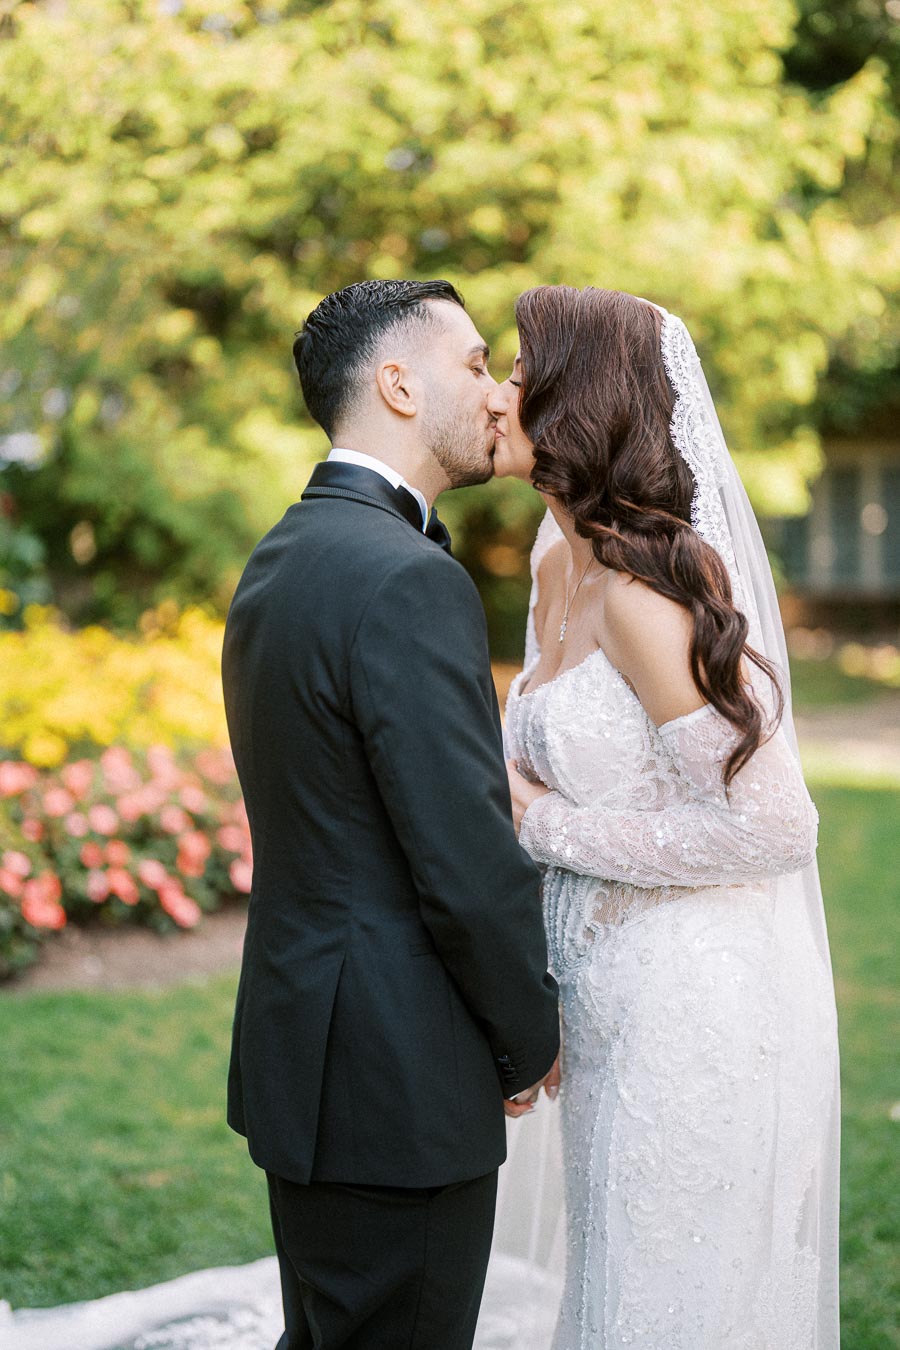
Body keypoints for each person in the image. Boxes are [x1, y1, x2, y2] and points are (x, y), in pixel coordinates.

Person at [489, 286, 840, 1349]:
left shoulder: (646, 599)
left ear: (574, 402)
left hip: (691, 1001)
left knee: (665, 1285)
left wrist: (539, 823)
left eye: (516, 370)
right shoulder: (557, 565)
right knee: (612, 1275)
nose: (499, 392)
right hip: (603, 990)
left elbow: (776, 829)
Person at [221, 278, 560, 1350]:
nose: (495, 393)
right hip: (400, 1078)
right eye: (473, 364)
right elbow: (462, 860)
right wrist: (527, 1038)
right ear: (398, 384)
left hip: (309, 1062)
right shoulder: (406, 577)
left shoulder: (283, 557)